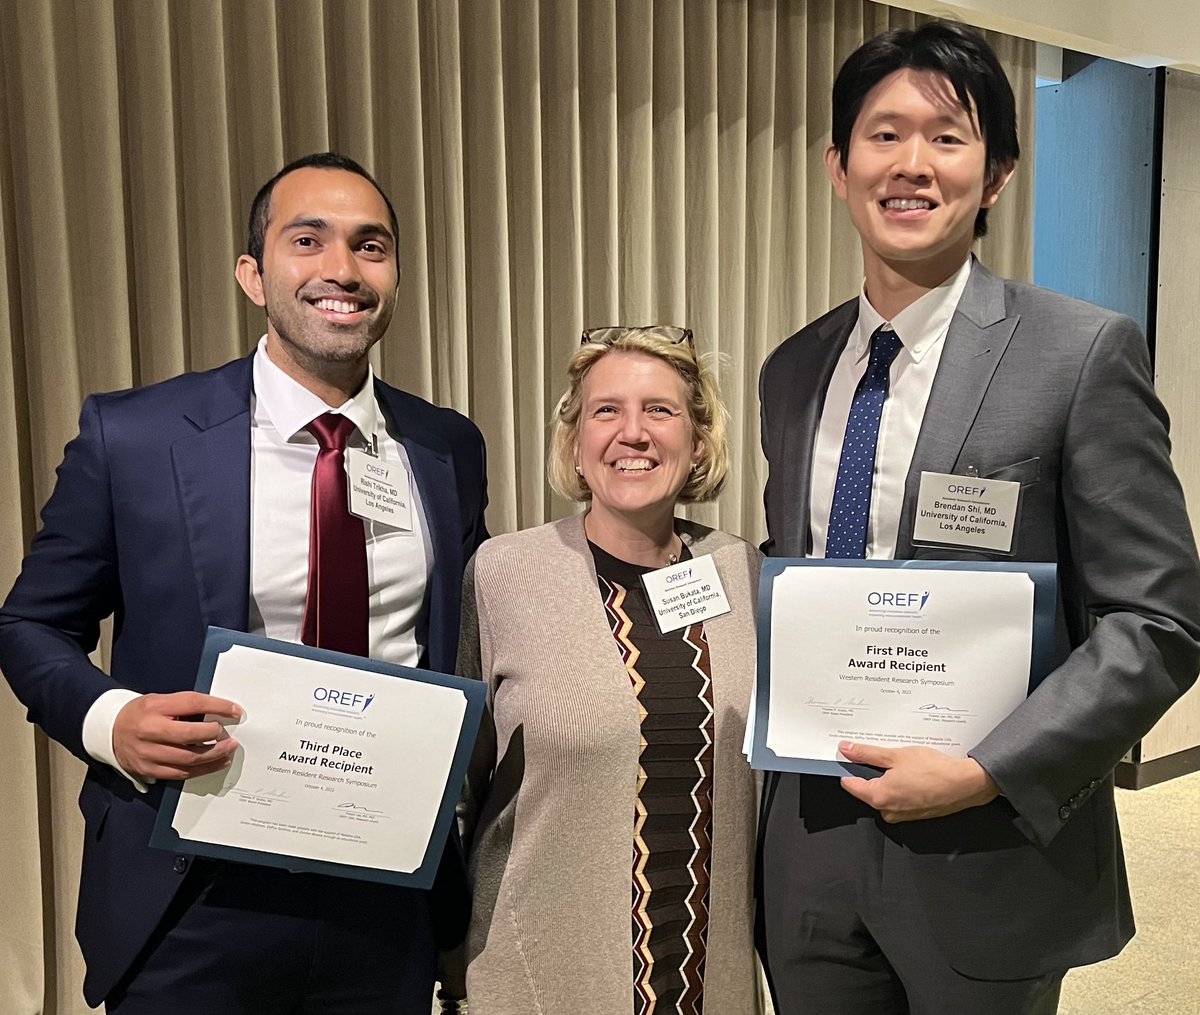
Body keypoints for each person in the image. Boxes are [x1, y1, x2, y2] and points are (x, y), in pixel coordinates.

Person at [756, 21, 1200, 1015]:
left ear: (994, 174)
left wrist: (987, 770)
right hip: (810, 850)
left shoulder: (1080, 354)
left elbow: (1162, 621)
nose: (912, 164)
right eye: (883, 134)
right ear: (837, 165)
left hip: (985, 845)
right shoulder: (791, 371)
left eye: (947, 137)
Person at [0, 152, 488, 1014]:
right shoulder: (137, 436)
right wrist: (114, 721)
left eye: (371, 247)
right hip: (192, 885)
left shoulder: (447, 448)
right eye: (309, 240)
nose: (342, 269)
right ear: (253, 274)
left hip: (386, 894)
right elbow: (31, 626)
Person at [452, 327, 761, 1014]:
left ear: (700, 442)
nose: (634, 432)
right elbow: (462, 785)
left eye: (660, 409)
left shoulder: (744, 571)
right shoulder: (504, 573)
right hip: (542, 976)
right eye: (606, 410)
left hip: (714, 978)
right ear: (574, 443)